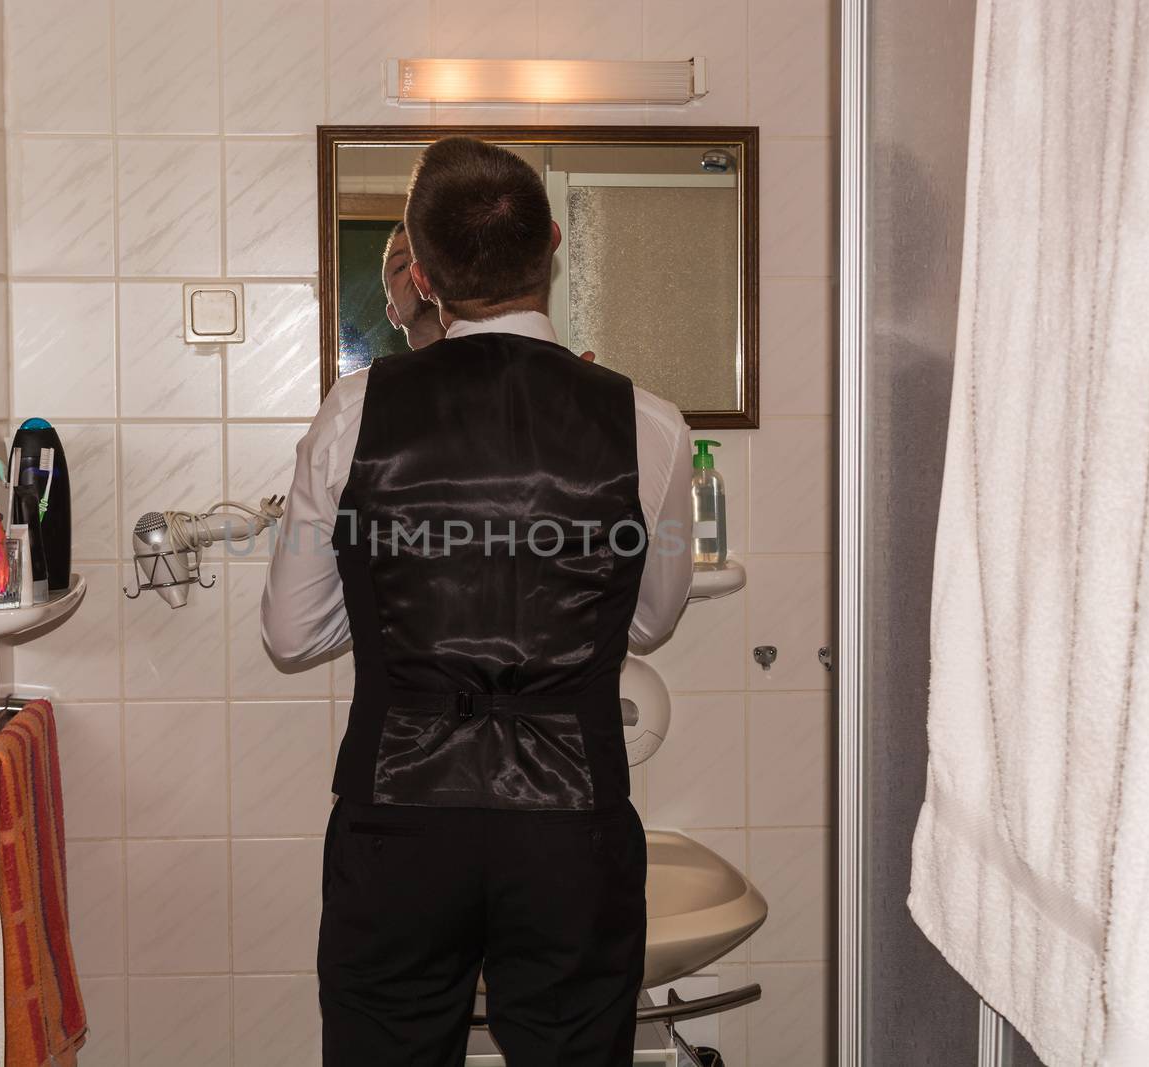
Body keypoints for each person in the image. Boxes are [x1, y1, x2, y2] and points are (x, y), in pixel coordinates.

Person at [261, 136, 693, 1066]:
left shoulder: (352, 410)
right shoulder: (647, 424)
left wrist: (384, 604)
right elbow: (650, 618)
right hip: (571, 823)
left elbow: (293, 633)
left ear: (420, 271)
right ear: (552, 250)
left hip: (401, 816)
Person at [380, 220, 446, 349]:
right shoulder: (377, 370)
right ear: (392, 314)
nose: (415, 265)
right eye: (400, 267)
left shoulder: (496, 362)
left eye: (425, 254)